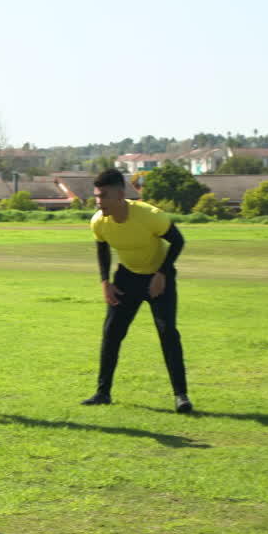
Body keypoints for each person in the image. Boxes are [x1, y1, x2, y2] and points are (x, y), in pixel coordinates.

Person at [82, 168, 192, 413]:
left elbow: (178, 241)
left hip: (158, 278)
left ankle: (181, 396)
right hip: (127, 278)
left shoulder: (151, 216)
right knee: (111, 333)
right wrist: (105, 282)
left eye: (104, 196)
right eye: (96, 196)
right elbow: (102, 248)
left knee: (167, 333)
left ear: (120, 194)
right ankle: (102, 393)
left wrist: (161, 273)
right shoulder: (98, 222)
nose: (99, 202)